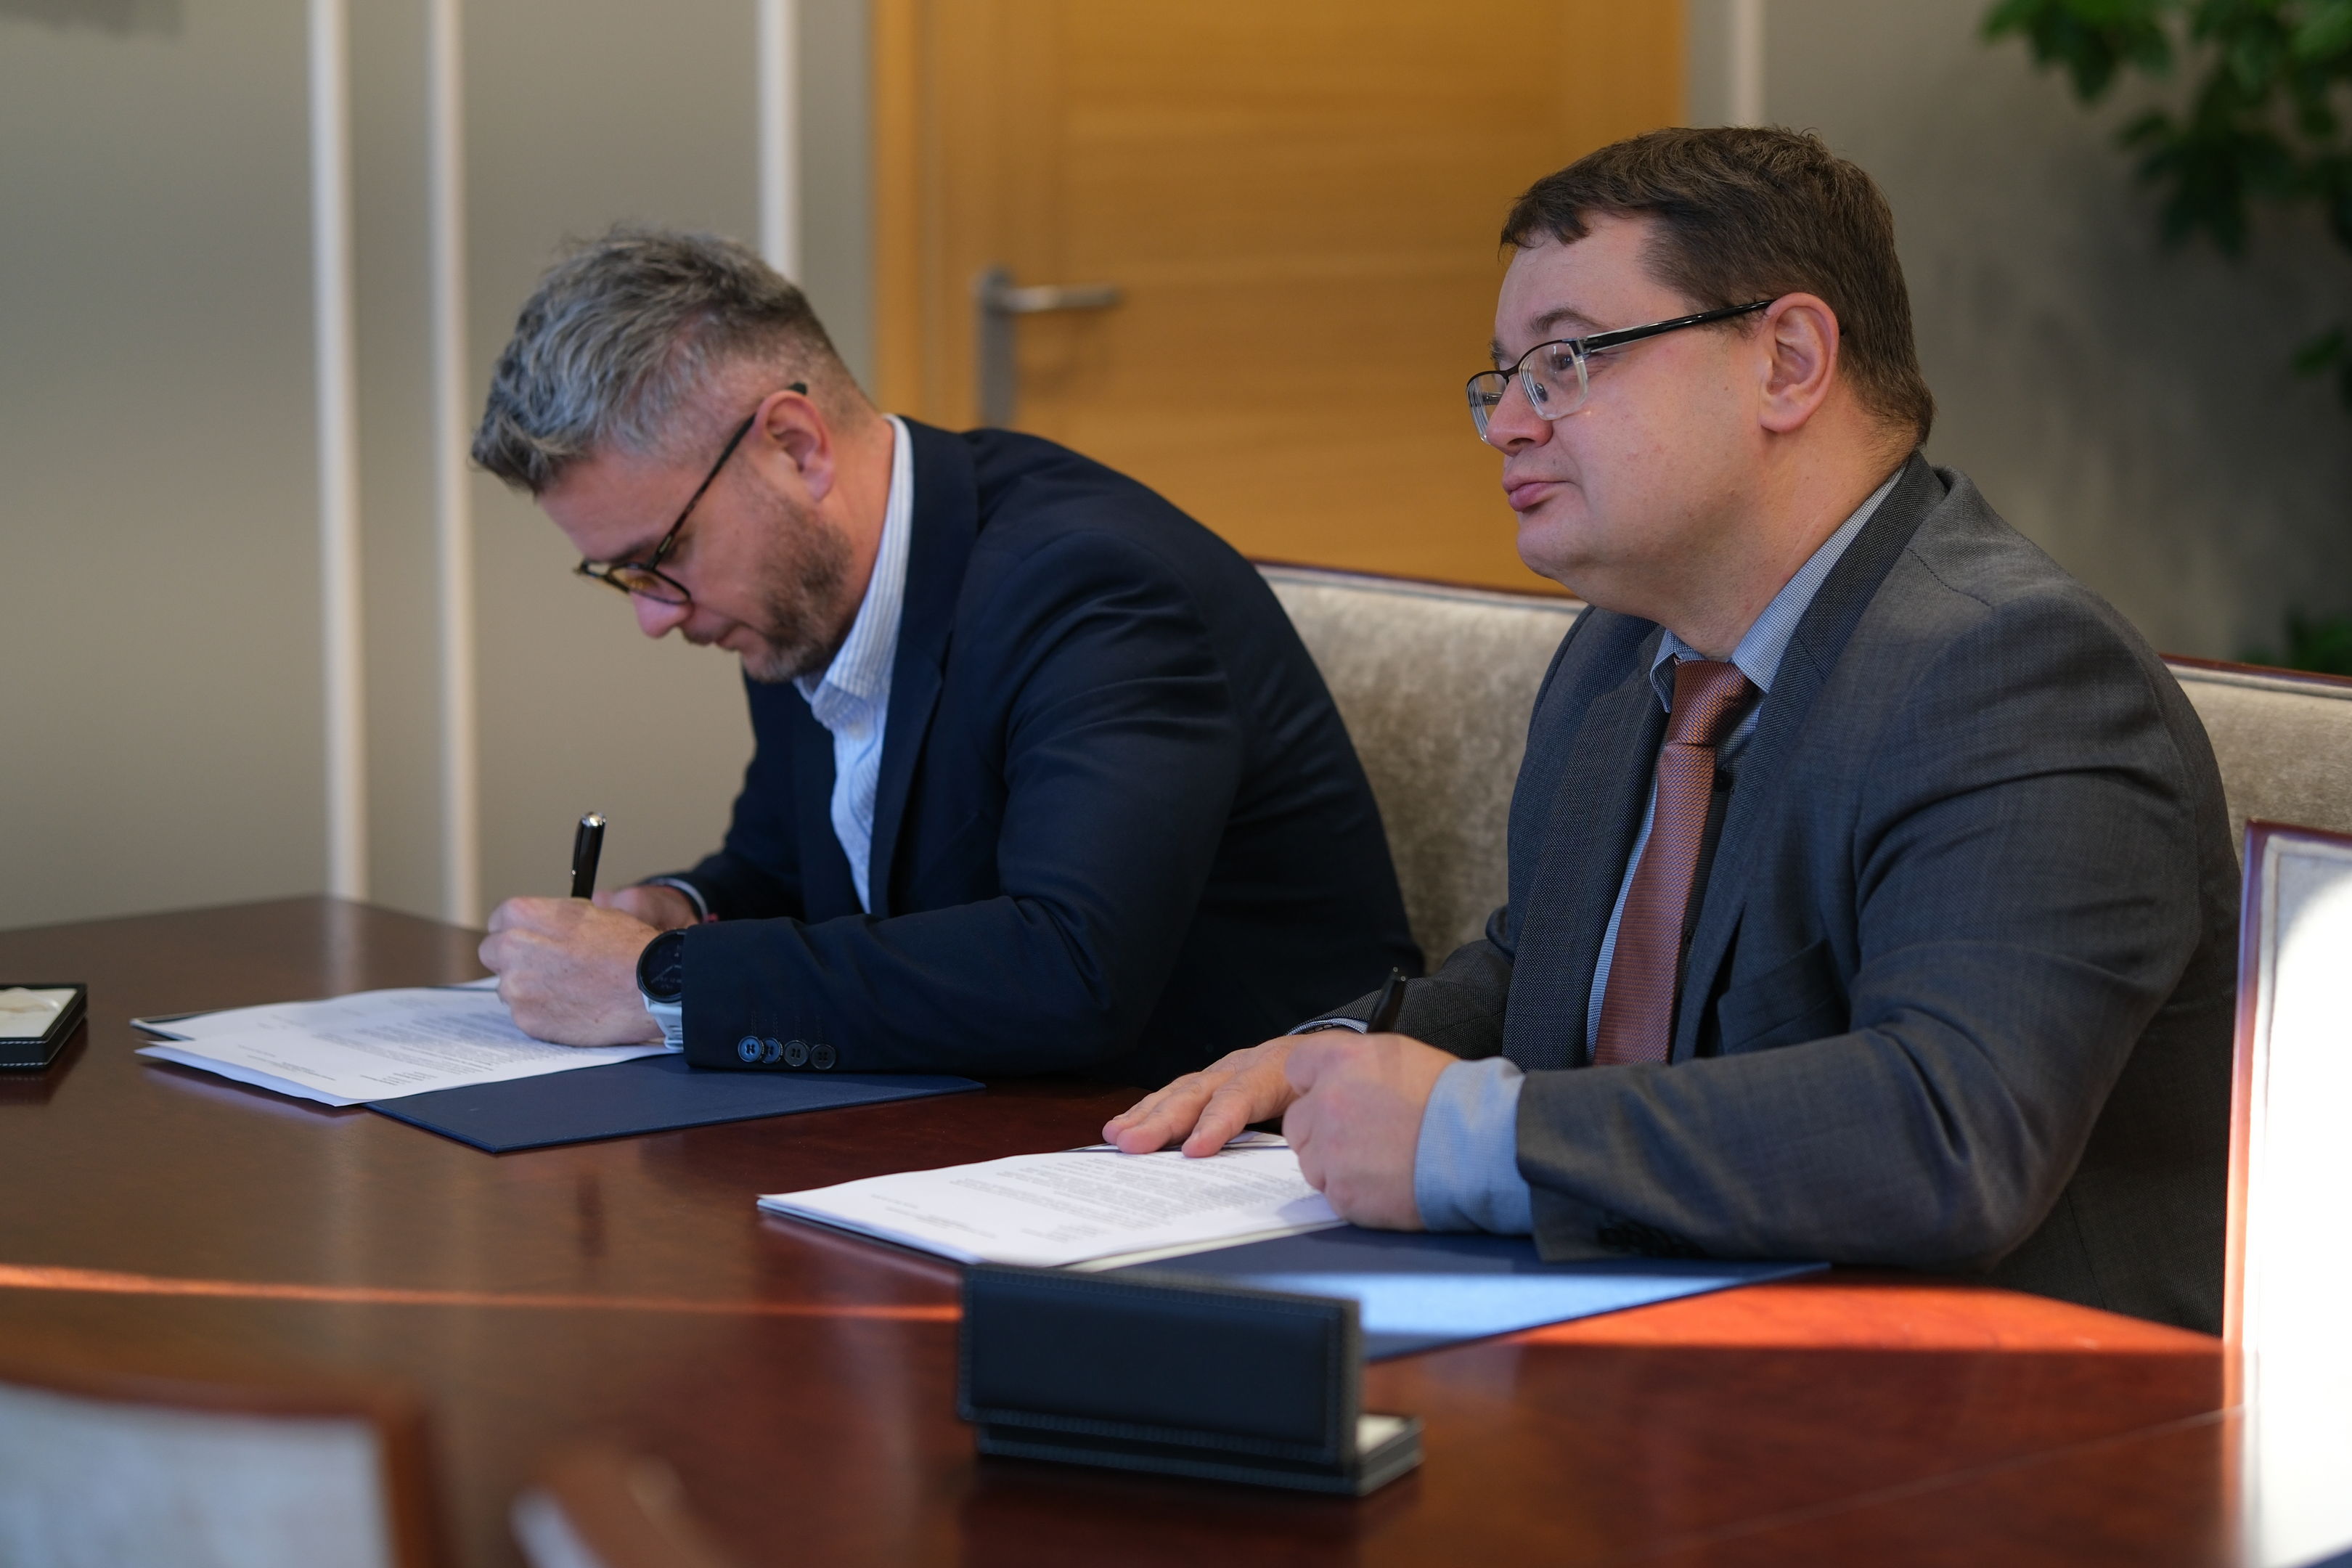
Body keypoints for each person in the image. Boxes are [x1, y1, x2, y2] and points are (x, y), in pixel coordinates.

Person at [1106, 127, 2236, 1332]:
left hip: (1984, 1394)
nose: (1509, 424)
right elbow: (1539, 970)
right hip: (1644, 1337)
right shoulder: (1624, 650)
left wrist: (1474, 1141)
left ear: (1788, 362)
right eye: (1506, 377)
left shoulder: (2013, 672)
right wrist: (1325, 1059)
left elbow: (1950, 1131)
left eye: (1566, 361)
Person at [471, 227, 1418, 1086]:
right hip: (975, 1132)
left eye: (664, 556)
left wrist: (660, 982)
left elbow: (1070, 970)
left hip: (1242, 1147)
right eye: (624, 575)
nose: (653, 617)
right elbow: (794, 864)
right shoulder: (797, 598)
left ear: (795, 449)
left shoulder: (1092, 585)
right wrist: (680, 909)